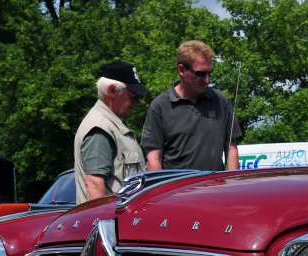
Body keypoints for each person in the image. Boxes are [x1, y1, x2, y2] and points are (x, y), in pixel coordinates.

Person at [141, 40, 242, 171]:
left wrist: (232, 181)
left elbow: (231, 148)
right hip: (178, 184)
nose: (207, 80)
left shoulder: (221, 101)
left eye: (209, 73)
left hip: (216, 184)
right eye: (201, 74)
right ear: (181, 70)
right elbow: (153, 159)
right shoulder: (160, 106)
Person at [74, 60, 149, 204]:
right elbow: (94, 185)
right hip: (109, 218)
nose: (137, 102)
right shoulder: (100, 128)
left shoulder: (112, 124)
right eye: (133, 95)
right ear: (112, 91)